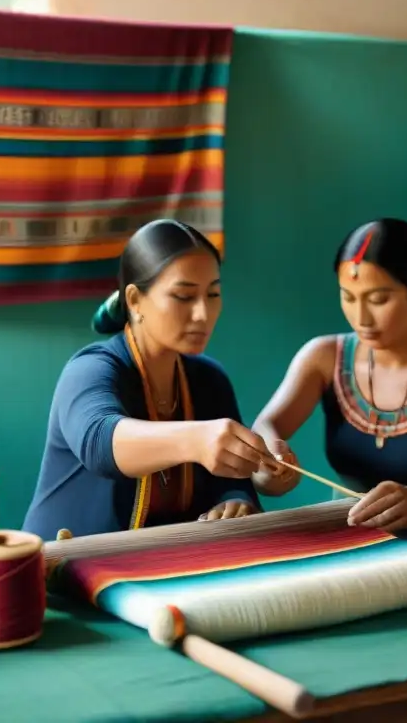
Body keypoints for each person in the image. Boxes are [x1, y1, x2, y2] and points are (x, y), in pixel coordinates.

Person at [22, 219, 267, 541]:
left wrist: (235, 501)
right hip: (61, 571)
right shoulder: (90, 370)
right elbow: (99, 443)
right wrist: (195, 440)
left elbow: (230, 481)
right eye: (183, 296)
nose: (203, 314)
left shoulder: (209, 379)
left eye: (213, 294)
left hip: (157, 566)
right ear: (135, 301)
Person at [251, 218, 407, 537]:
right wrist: (270, 460)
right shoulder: (323, 357)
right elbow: (266, 426)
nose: (361, 318)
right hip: (348, 539)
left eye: (379, 299)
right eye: (349, 297)